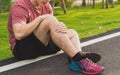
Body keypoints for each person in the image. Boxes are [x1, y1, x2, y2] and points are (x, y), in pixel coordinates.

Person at [7, 0, 104, 74]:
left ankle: (75, 61)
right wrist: (41, 18)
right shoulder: (20, 6)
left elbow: (51, 28)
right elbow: (19, 34)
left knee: (72, 33)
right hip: (23, 50)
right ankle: (79, 58)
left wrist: (60, 27)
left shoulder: (47, 6)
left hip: (42, 46)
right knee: (49, 19)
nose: (46, 1)